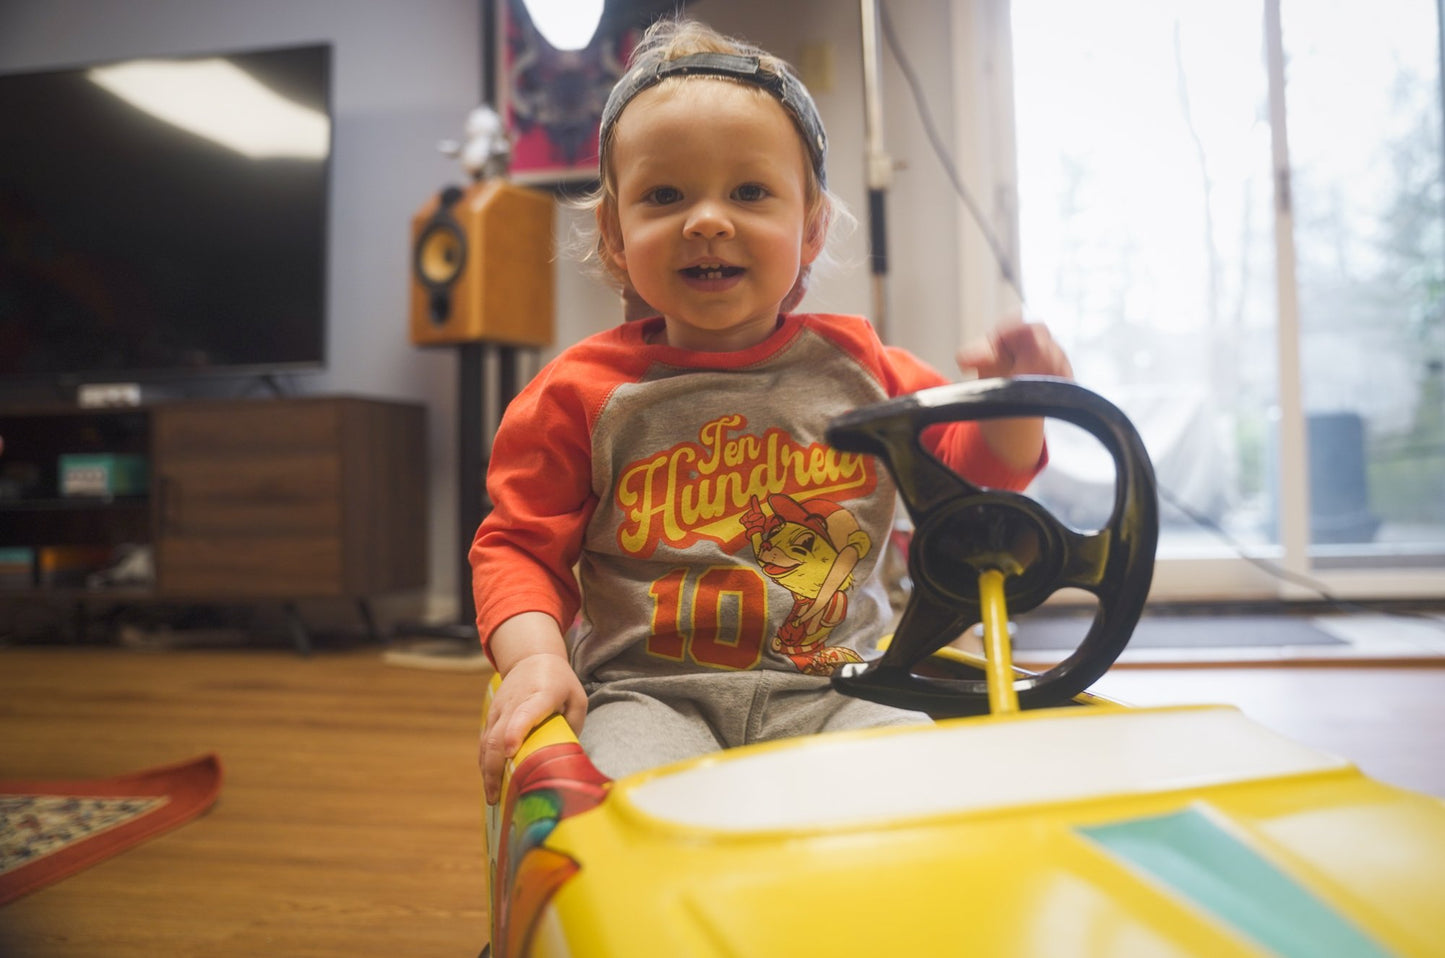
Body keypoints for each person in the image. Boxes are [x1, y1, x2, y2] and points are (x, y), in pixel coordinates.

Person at [473, 18, 1073, 803]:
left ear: (811, 227)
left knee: (929, 795)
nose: (708, 220)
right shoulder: (577, 395)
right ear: (617, 237)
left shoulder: (865, 370)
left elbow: (976, 480)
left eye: (750, 192)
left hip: (844, 691)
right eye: (664, 195)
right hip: (652, 699)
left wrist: (1013, 406)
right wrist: (535, 660)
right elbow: (518, 551)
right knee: (624, 819)